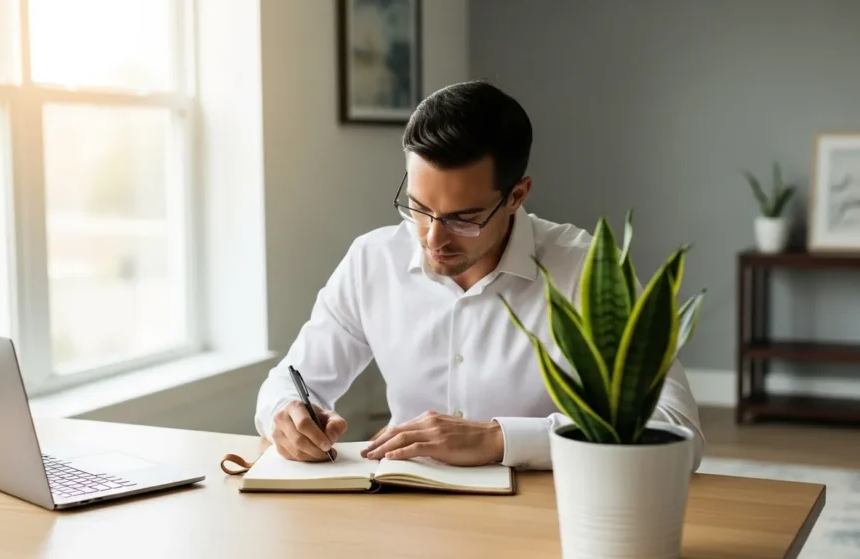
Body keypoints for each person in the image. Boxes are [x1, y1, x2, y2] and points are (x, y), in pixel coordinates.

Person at [254, 80, 704, 471]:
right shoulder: (372, 260)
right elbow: (290, 380)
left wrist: (498, 440)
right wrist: (286, 415)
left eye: (463, 218)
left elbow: (676, 429)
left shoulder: (584, 271)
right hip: (403, 512)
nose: (432, 238)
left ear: (517, 195)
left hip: (544, 516)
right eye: (419, 208)